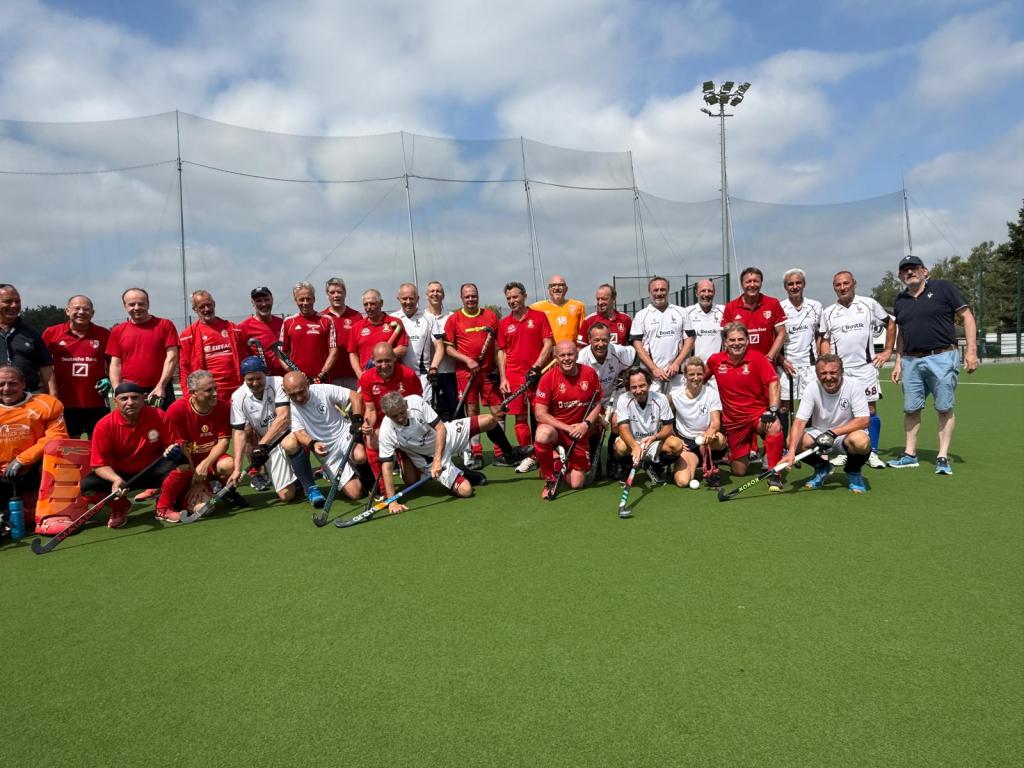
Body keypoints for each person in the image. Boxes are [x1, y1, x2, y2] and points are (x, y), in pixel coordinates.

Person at [888, 254, 979, 474]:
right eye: (905, 270)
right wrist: (898, 362)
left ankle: (942, 457)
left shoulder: (943, 288)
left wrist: (971, 351)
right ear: (900, 276)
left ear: (925, 271)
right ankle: (910, 454)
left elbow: (967, 317)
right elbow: (901, 334)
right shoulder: (900, 300)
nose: (910, 272)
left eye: (914, 268)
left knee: (944, 407)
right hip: (911, 360)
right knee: (911, 409)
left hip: (942, 357)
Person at [818, 271, 894, 469]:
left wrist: (887, 351)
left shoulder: (868, 304)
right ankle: (845, 450)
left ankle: (872, 452)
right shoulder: (829, 312)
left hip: (864, 368)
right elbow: (824, 339)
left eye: (846, 283)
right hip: (841, 372)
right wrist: (827, 364)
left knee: (870, 409)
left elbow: (890, 323)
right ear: (834, 287)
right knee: (843, 412)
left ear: (854, 284)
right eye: (838, 285)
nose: (842, 287)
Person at [83, 382, 185, 526]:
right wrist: (115, 479)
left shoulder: (158, 415)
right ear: (115, 401)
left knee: (183, 464)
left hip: (152, 470)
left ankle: (164, 507)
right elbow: (99, 465)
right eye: (124, 399)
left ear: (143, 399)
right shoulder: (104, 425)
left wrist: (174, 448)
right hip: (121, 475)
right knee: (87, 488)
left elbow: (176, 443)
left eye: (135, 398)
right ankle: (121, 507)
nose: (130, 402)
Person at [376, 392, 490, 513]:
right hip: (428, 458)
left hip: (445, 436)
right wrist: (392, 502)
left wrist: (437, 460)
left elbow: (440, 428)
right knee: (466, 491)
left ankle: (504, 454)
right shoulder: (386, 431)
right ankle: (464, 472)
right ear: (387, 415)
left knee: (489, 420)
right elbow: (386, 467)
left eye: (402, 412)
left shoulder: (415, 401)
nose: (400, 418)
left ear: (405, 405)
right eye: (394, 416)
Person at [706, 322, 785, 490]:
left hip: (757, 415)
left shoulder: (757, 358)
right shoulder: (715, 360)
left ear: (747, 341)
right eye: (732, 340)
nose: (737, 343)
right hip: (734, 422)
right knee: (739, 471)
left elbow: (774, 382)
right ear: (725, 342)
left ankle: (775, 472)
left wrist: (772, 410)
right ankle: (732, 453)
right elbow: (699, 380)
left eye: (740, 339)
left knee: (774, 425)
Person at [782, 354, 871, 493]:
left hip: (846, 435)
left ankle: (853, 471)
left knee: (861, 442)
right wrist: (791, 452)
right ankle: (822, 467)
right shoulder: (812, 388)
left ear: (842, 371)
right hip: (819, 433)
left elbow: (863, 420)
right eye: (823, 373)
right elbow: (800, 421)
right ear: (817, 374)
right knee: (791, 441)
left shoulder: (854, 385)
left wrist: (833, 433)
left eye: (833, 372)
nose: (828, 377)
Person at [164, 370, 248, 514]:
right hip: (187, 467)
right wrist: (197, 481)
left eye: (215, 388)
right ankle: (176, 498)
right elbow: (182, 449)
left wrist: (205, 463)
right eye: (209, 390)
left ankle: (228, 492)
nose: (215, 393)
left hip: (209, 463)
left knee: (229, 465)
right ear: (193, 393)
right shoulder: (176, 410)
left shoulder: (223, 407)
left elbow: (223, 442)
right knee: (205, 509)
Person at [281, 370, 367, 506]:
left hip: (343, 434)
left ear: (307, 384)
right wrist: (313, 444)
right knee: (355, 493)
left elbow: (355, 396)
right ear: (285, 391)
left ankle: (369, 479)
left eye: (301, 392)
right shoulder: (287, 408)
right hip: (326, 450)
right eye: (293, 394)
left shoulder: (322, 389)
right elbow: (299, 433)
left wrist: (356, 420)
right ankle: (333, 472)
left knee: (359, 456)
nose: (298, 398)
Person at [533, 341, 603, 499]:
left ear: (577, 354)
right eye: (562, 355)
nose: (566, 358)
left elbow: (597, 404)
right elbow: (540, 414)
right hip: (557, 430)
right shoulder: (547, 378)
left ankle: (555, 461)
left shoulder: (589, 373)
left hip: (579, 432)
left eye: (570, 354)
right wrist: (567, 428)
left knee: (577, 483)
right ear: (556, 357)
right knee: (543, 434)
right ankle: (550, 479)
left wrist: (586, 424)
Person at [228, 356, 301, 502]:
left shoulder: (278, 382)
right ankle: (295, 477)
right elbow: (239, 434)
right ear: (243, 378)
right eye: (250, 379)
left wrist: (261, 444)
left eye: (259, 378)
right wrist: (237, 468)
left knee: (290, 444)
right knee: (286, 496)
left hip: (291, 432)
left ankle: (306, 478)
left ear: (265, 374)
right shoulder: (237, 397)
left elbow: (283, 418)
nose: (255, 383)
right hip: (270, 444)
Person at [0, 366, 68, 521]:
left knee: (58, 452)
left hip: (33, 470)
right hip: (2, 475)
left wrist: (22, 459)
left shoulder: (46, 404)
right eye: (1, 384)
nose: (6, 389)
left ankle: (57, 511)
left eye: (12, 383)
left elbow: (57, 437)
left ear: (23, 384)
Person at [497, 281, 553, 465]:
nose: (512, 301)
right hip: (514, 376)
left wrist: (536, 367)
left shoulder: (539, 316)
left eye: (515, 296)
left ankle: (543, 452)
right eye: (509, 298)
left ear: (524, 296)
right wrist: (503, 378)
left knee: (541, 415)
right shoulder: (504, 323)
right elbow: (502, 352)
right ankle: (528, 456)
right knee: (520, 418)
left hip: (538, 375)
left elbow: (548, 344)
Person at [41, 294, 110, 437]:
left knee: (98, 442)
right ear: (67, 311)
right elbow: (41, 363)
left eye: (86, 309)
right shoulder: (51, 333)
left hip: (96, 401)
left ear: (92, 313)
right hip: (64, 402)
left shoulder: (104, 334)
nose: (81, 312)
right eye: (76, 308)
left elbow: (114, 362)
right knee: (69, 444)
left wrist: (108, 378)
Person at [358, 342, 423, 484]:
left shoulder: (408, 375)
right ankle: (382, 487)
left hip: (404, 423)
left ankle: (403, 455)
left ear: (394, 358)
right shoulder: (366, 378)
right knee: (371, 438)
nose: (384, 365)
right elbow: (370, 410)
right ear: (373, 361)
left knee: (412, 481)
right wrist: (368, 425)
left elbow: (417, 405)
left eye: (387, 360)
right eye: (379, 361)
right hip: (381, 425)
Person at [577, 322, 635, 479]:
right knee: (593, 427)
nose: (600, 344)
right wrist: (598, 417)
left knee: (617, 423)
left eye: (604, 340)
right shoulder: (582, 359)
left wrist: (626, 373)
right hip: (591, 399)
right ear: (589, 339)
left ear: (610, 339)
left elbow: (635, 355)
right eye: (596, 340)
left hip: (614, 395)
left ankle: (613, 461)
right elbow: (580, 392)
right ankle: (594, 462)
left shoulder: (618, 351)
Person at [107, 287, 179, 408]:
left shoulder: (165, 325)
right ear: (125, 306)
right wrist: (118, 391)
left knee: (164, 420)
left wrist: (161, 386)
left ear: (148, 304)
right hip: (130, 391)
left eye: (141, 304)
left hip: (160, 389)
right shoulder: (117, 331)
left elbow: (172, 357)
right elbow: (115, 365)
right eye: (131, 304)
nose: (136, 308)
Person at [612, 368, 682, 484]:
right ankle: (627, 468)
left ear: (649, 384)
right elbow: (623, 429)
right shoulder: (624, 399)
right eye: (634, 387)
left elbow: (668, 428)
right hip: (632, 442)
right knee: (620, 447)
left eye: (642, 386)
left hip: (653, 442)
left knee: (676, 445)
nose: (638, 390)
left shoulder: (661, 398)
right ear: (629, 387)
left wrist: (654, 437)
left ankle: (654, 466)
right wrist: (635, 446)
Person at [178, 290, 247, 402]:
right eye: (202, 306)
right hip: (208, 394)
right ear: (195, 309)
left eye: (209, 305)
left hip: (237, 391)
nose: (206, 309)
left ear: (214, 304)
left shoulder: (234, 329)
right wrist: (188, 396)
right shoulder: (188, 336)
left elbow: (245, 359)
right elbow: (184, 368)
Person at [669, 357, 727, 489]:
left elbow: (716, 423)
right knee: (683, 482)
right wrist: (676, 439)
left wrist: (710, 432)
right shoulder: (675, 395)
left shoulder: (711, 394)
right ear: (685, 375)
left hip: (707, 441)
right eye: (691, 374)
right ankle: (688, 464)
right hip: (688, 443)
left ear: (704, 374)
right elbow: (665, 421)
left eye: (699, 374)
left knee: (719, 439)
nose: (696, 378)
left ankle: (711, 463)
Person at [778, 269, 823, 439]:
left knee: (809, 406)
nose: (794, 286)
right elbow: (775, 338)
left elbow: (820, 335)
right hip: (785, 365)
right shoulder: (779, 307)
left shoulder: (816, 306)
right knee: (783, 406)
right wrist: (782, 360)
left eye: (798, 283)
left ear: (804, 284)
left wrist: (819, 360)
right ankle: (783, 445)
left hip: (809, 366)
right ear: (785, 287)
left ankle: (806, 442)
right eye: (790, 284)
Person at [630, 276, 687, 392]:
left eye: (662, 290)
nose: (659, 293)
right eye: (655, 290)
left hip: (676, 374)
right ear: (649, 292)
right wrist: (654, 368)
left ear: (668, 291)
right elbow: (637, 345)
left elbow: (689, 340)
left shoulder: (681, 312)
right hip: (651, 375)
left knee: (676, 404)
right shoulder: (641, 315)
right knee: (652, 404)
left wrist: (676, 364)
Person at [0, 283, 56, 395]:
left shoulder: (32, 334)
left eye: (17, 301)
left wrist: (54, 399)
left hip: (28, 398)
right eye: (8, 301)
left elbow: (46, 370)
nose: (14, 305)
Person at [721, 267, 787, 362]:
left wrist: (769, 357)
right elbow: (726, 338)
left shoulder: (773, 303)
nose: (752, 285)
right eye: (748, 282)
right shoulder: (730, 307)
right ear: (742, 284)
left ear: (761, 283)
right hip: (740, 365)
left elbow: (781, 333)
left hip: (767, 363)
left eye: (756, 281)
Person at [395, 283, 445, 402]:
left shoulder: (429, 318)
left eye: (411, 298)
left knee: (424, 410)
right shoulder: (393, 319)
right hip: (399, 377)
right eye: (404, 299)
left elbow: (439, 347)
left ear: (417, 299)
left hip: (423, 376)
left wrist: (434, 367)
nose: (408, 302)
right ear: (398, 299)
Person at [279, 281, 338, 382]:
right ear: (296, 300)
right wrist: (294, 373)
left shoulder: (326, 320)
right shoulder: (288, 322)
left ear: (314, 299)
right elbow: (281, 353)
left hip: (320, 380)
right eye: (301, 299)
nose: (305, 303)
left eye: (308, 298)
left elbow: (334, 350)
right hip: (298, 381)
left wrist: (322, 374)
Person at [348, 289, 409, 374]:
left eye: (372, 303)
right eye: (365, 304)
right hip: (367, 376)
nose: (369, 307)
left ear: (381, 303)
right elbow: (353, 354)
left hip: (391, 376)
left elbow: (403, 348)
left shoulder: (395, 323)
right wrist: (360, 375)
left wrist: (380, 358)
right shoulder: (356, 327)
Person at [423, 280, 458, 420]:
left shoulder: (452, 317)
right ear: (426, 295)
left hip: (450, 372)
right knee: (431, 416)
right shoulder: (421, 317)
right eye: (432, 291)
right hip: (429, 375)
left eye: (438, 291)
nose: (435, 294)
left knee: (455, 413)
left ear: (443, 295)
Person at [321, 277, 362, 388]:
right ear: (327, 295)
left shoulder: (356, 316)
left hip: (353, 374)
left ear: (345, 293)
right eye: (332, 292)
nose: (336, 295)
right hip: (329, 376)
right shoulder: (322, 317)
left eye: (339, 292)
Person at [238, 286, 286, 375]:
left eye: (266, 300)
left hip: (285, 377)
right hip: (261, 379)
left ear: (272, 300)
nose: (264, 304)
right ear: (253, 303)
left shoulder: (283, 323)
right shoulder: (243, 327)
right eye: (259, 301)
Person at [530, 274, 586, 346]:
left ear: (566, 289)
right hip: (549, 351)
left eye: (561, 285)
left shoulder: (578, 306)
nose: (557, 288)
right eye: (553, 285)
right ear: (548, 289)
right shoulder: (536, 308)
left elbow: (583, 333)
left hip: (571, 351)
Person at [682, 279, 725, 365]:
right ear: (696, 293)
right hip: (695, 368)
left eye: (710, 291)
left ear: (714, 293)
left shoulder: (723, 310)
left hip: (717, 366)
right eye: (703, 291)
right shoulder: (686, 312)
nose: (706, 294)